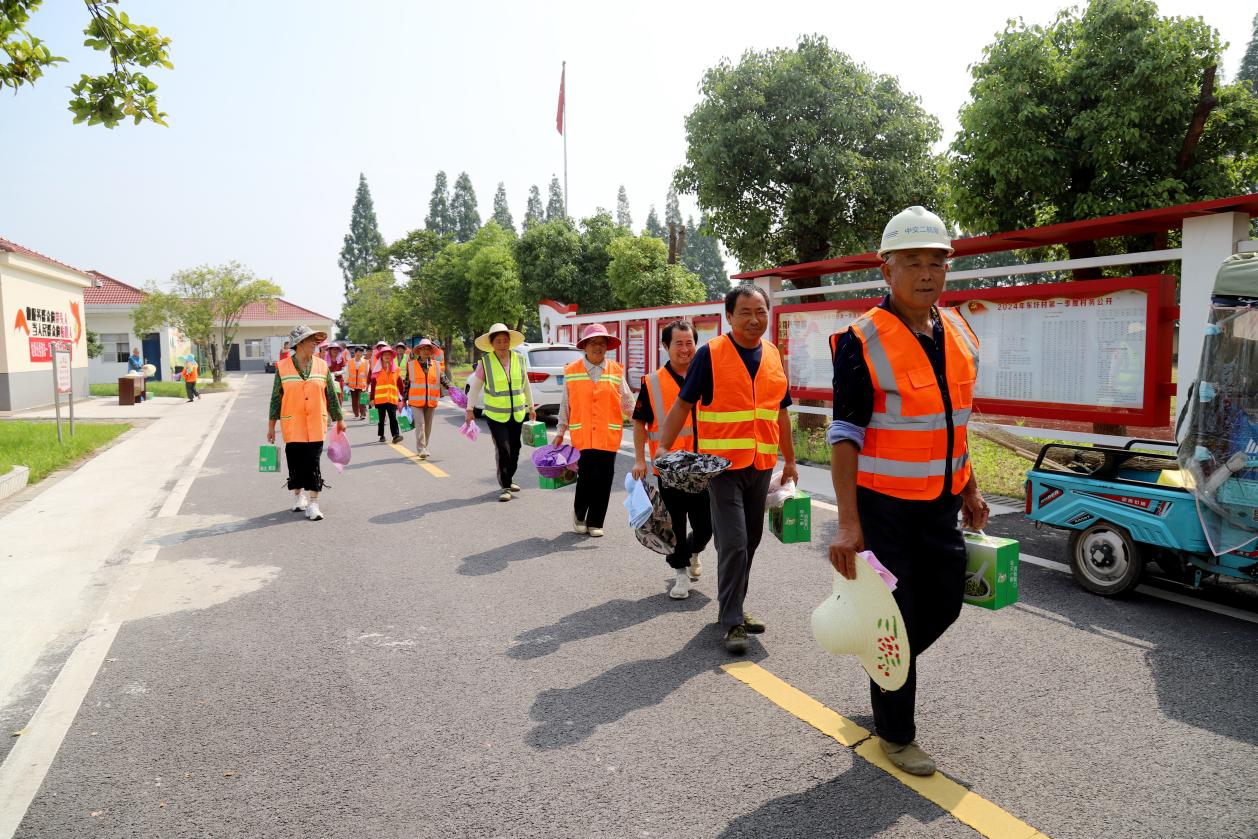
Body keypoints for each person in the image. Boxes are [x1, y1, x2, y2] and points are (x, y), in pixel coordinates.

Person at [826, 206, 988, 777]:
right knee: (896, 616)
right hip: (882, 510)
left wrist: (968, 490)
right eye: (912, 262)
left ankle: (882, 660)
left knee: (943, 605)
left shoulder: (960, 333)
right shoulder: (861, 339)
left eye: (936, 262)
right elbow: (844, 434)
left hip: (940, 505)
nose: (927, 274)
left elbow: (953, 421)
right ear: (886, 270)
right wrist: (849, 524)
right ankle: (896, 733)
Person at [658, 285, 797, 654]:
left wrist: (791, 459)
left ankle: (733, 605)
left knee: (750, 541)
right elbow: (683, 405)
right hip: (721, 469)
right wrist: (661, 448)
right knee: (733, 542)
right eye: (746, 312)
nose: (755, 319)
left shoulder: (772, 355)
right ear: (730, 316)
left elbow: (780, 412)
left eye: (761, 311)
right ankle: (733, 620)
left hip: (762, 464)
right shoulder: (711, 354)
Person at [632, 320, 710, 598]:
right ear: (666, 346)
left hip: (702, 470)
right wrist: (640, 459)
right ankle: (680, 574)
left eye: (690, 343)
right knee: (676, 525)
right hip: (669, 470)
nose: (685, 349)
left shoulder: (706, 377)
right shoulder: (652, 383)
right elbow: (640, 422)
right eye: (679, 343)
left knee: (706, 527)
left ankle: (693, 551)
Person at [554, 323, 634, 537]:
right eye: (593, 342)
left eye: (602, 343)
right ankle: (580, 514)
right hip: (583, 435)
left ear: (607, 347)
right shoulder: (572, 371)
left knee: (605, 478)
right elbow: (565, 404)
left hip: (608, 435)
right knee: (587, 477)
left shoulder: (615, 371)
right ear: (585, 346)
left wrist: (639, 422)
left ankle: (596, 521)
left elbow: (627, 401)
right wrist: (561, 430)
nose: (598, 347)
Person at [266, 324, 345, 521]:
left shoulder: (322, 365)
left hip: (317, 424)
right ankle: (298, 495)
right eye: (311, 341)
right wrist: (271, 426)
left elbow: (331, 395)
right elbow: (276, 398)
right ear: (299, 344)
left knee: (312, 462)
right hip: (293, 425)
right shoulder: (282, 368)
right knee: (296, 464)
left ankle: (313, 503)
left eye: (316, 341)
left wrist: (339, 419)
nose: (315, 344)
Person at [466, 322, 537, 502]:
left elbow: (525, 385)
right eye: (498, 341)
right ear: (492, 343)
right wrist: (470, 409)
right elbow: (474, 388)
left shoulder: (519, 359)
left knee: (516, 448)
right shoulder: (485, 363)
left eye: (505, 341)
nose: (502, 344)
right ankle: (505, 485)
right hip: (496, 415)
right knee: (503, 449)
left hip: (518, 413)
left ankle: (509, 477)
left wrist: (531, 407)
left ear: (509, 342)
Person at [407, 338, 450, 459]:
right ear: (419, 351)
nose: (426, 351)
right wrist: (403, 401)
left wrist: (453, 390)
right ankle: (421, 448)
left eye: (428, 349)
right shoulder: (411, 366)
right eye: (423, 349)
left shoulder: (436, 366)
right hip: (416, 401)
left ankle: (424, 446)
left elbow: (444, 380)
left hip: (431, 400)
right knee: (420, 424)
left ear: (431, 351)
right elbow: (407, 383)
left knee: (428, 425)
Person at [372, 345, 404, 444]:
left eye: (389, 355)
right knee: (381, 419)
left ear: (391, 357)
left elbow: (400, 384)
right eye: (385, 354)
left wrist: (403, 396)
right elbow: (373, 385)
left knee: (393, 418)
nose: (387, 356)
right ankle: (381, 435)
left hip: (392, 398)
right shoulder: (376, 370)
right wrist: (371, 398)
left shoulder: (396, 369)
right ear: (381, 356)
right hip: (380, 399)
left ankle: (395, 435)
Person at [346, 346, 370, 420]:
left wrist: (368, 383)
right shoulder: (350, 362)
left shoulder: (365, 362)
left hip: (362, 384)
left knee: (362, 400)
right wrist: (347, 381)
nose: (360, 354)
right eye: (359, 352)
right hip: (352, 384)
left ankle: (363, 414)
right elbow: (347, 372)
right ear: (355, 352)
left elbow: (367, 373)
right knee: (354, 401)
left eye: (361, 352)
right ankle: (356, 414)